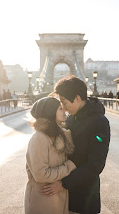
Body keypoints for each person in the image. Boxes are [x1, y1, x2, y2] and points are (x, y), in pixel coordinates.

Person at [41, 76, 111, 214]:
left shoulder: (100, 122)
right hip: (63, 195)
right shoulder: (72, 118)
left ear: (77, 98)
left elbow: (95, 165)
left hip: (84, 198)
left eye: (64, 102)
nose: (63, 108)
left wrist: (63, 184)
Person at [24, 97, 76, 214]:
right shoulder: (39, 138)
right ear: (50, 113)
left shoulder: (61, 135)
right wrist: (69, 167)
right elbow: (41, 175)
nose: (64, 111)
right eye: (59, 109)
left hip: (58, 200)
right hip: (43, 202)